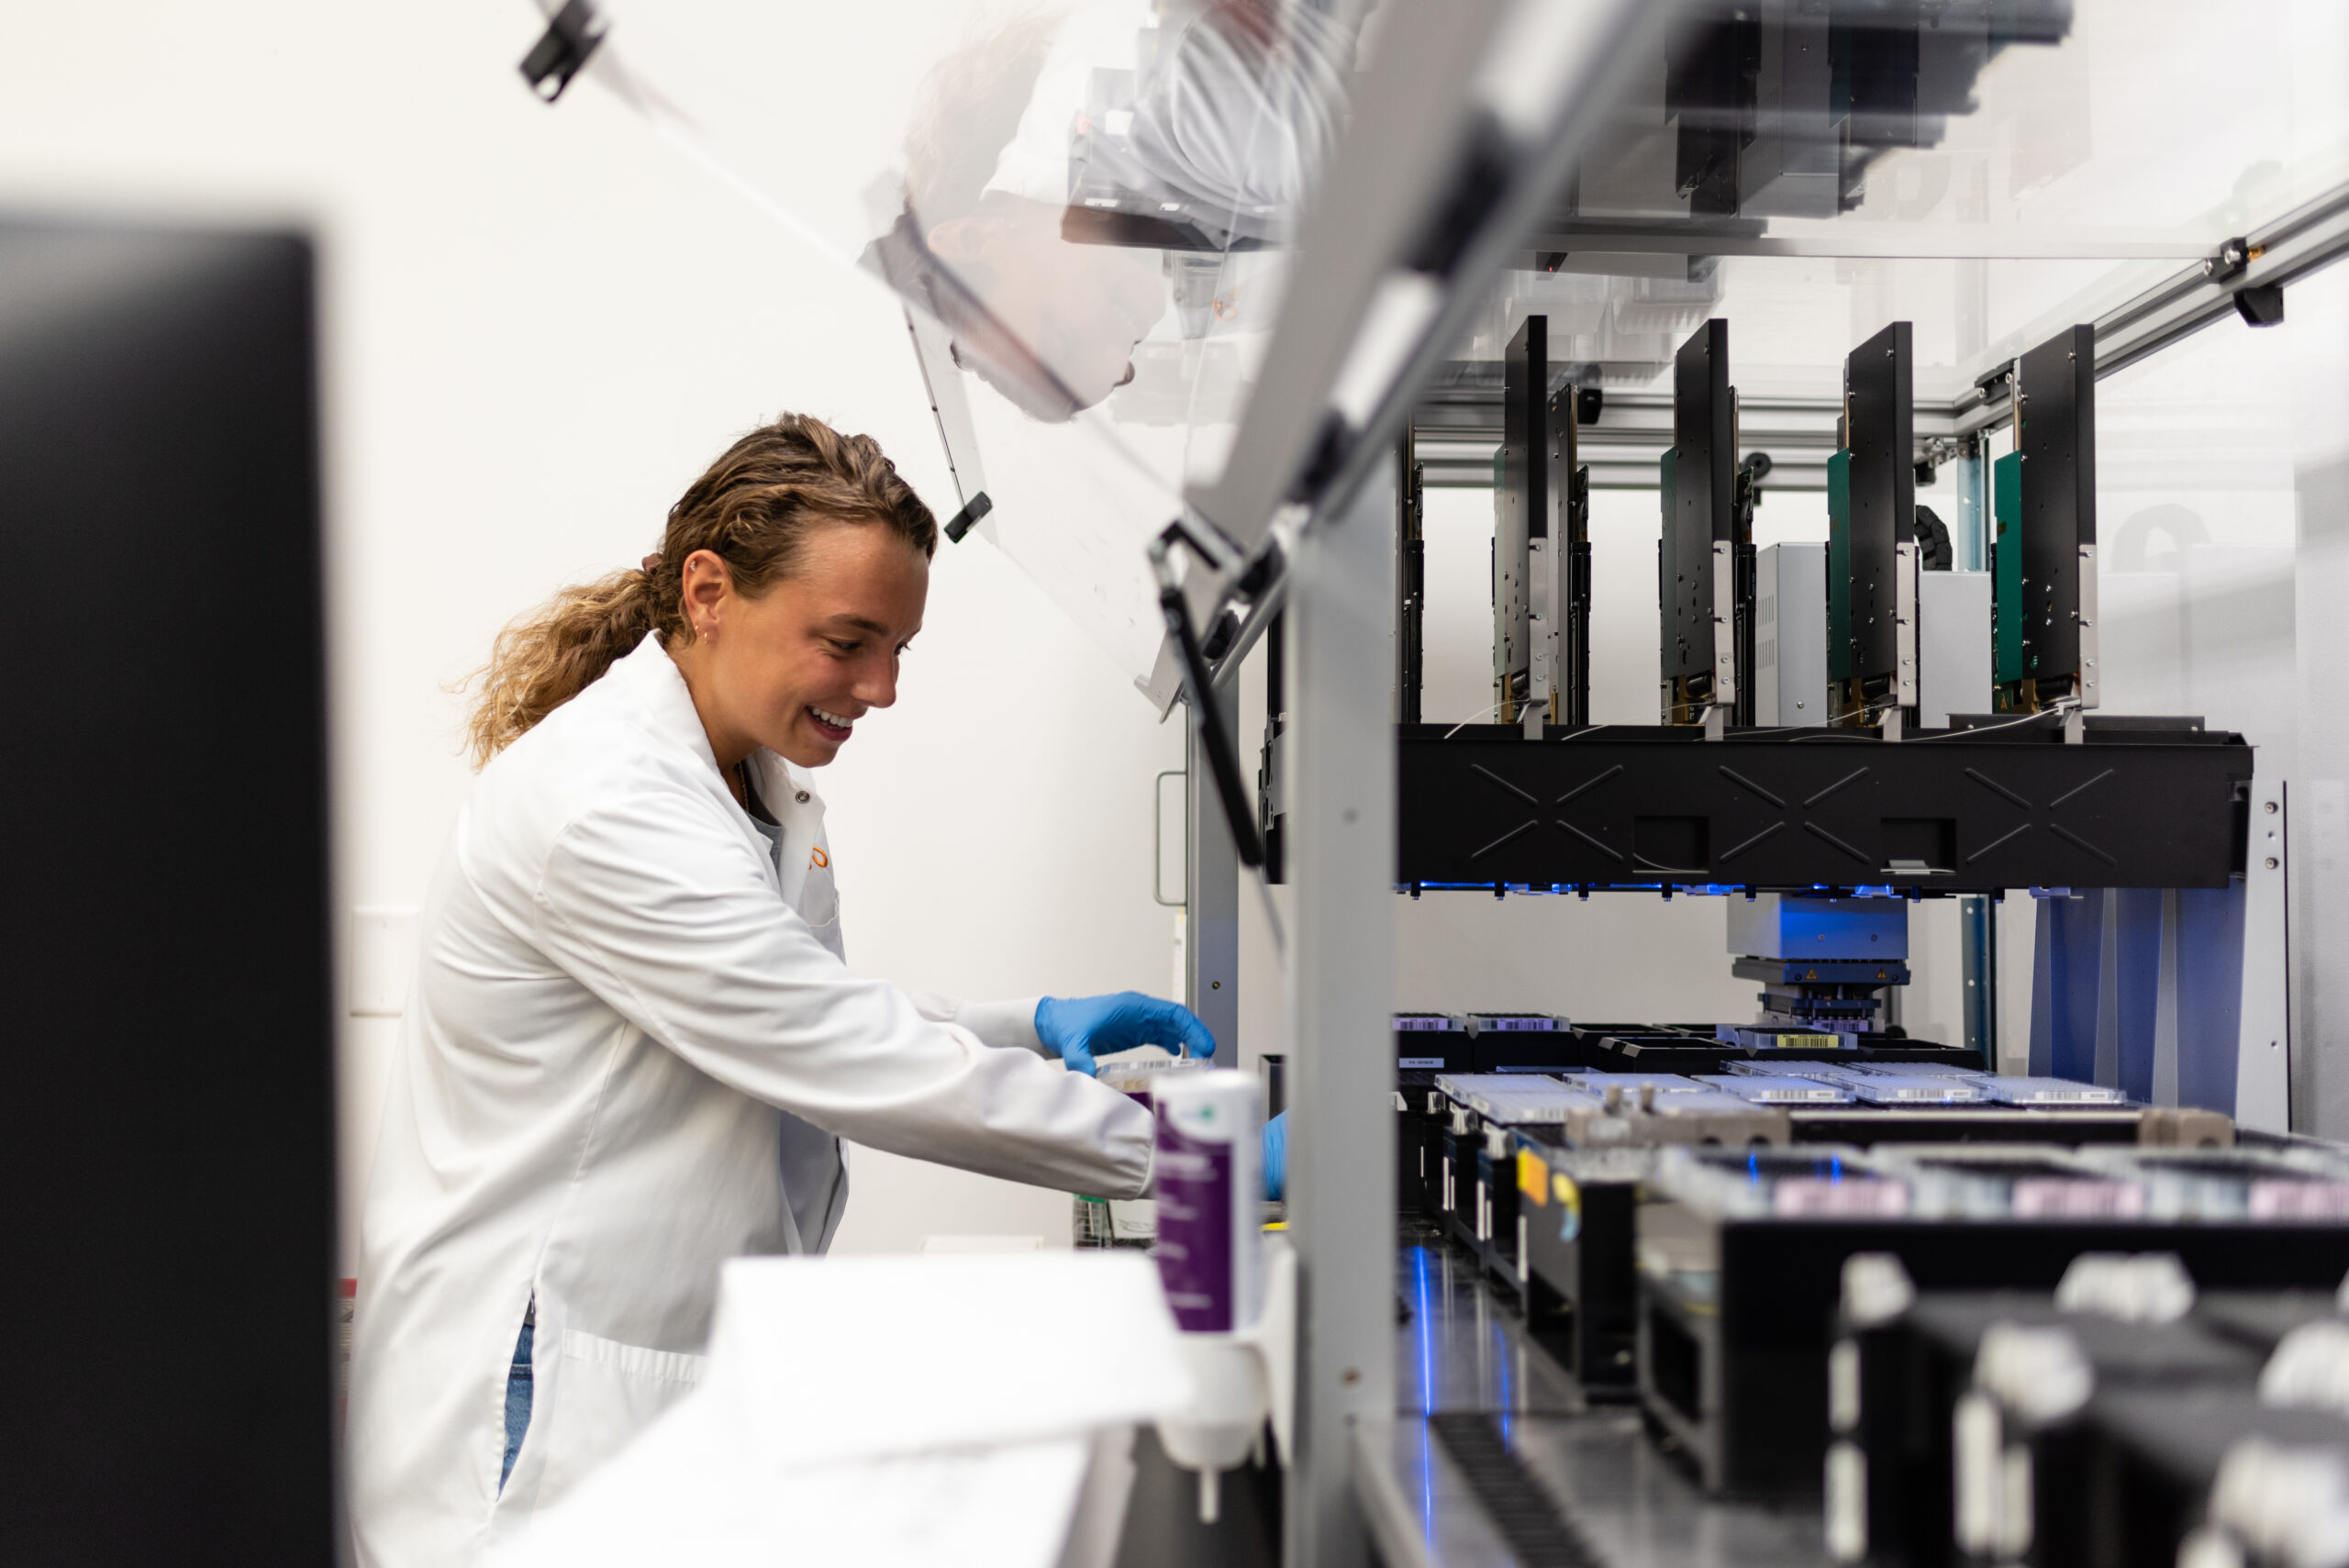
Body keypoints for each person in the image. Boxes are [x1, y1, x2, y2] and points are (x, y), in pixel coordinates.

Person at [346, 416, 1272, 1565]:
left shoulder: (744, 780)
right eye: (848, 641)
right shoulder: (607, 805)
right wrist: (1197, 1161)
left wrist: (1030, 1029)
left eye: (900, 648)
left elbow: (795, 1004)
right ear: (708, 592)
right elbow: (832, 1045)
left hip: (643, 1359)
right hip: (536, 1391)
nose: (881, 686)